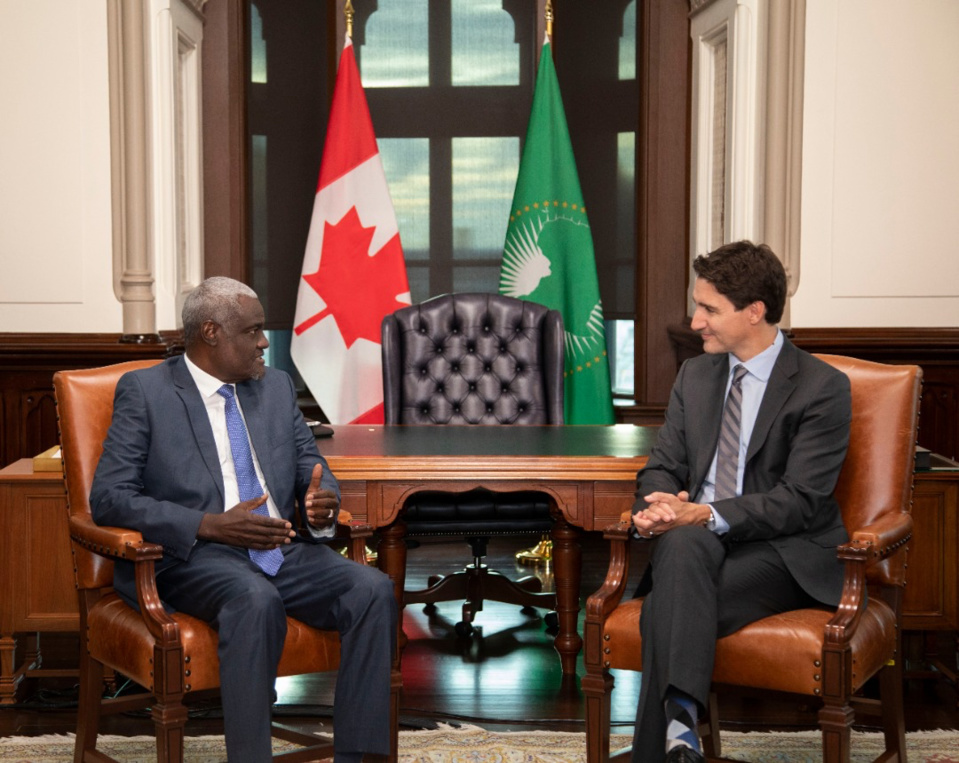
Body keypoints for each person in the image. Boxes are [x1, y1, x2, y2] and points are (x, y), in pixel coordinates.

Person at [90, 276, 396, 763]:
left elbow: (310, 468)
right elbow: (109, 498)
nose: (264, 341)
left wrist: (323, 503)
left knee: (371, 590)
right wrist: (208, 524)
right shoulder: (147, 392)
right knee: (254, 598)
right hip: (193, 555)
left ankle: (358, 757)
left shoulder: (273, 386)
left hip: (278, 547)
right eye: (252, 331)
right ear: (210, 332)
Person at [630, 241, 852, 763]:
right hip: (695, 545)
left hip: (783, 552)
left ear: (755, 311)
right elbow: (662, 464)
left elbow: (800, 500)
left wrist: (703, 514)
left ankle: (666, 745)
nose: (695, 320)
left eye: (709, 308)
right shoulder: (696, 376)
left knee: (666, 605)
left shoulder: (822, 387)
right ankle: (681, 732)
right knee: (683, 548)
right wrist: (659, 502)